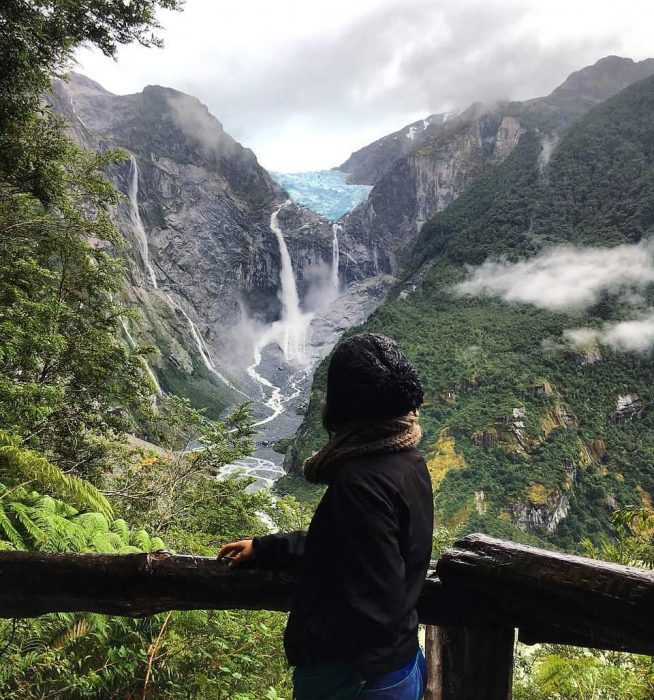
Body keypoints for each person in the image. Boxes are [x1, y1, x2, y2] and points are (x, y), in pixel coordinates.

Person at [219, 333, 434, 699]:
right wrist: (267, 547)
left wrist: (313, 643)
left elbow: (371, 603)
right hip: (399, 666)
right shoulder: (408, 461)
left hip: (355, 680)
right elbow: (350, 545)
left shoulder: (359, 481)